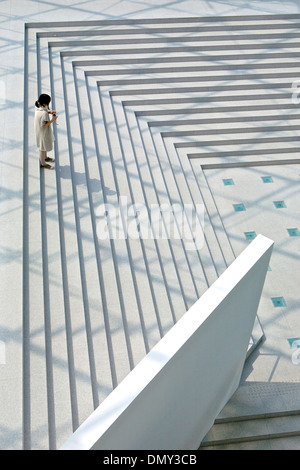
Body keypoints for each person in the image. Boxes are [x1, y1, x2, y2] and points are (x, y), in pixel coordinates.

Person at [34, 93, 58, 169]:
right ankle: (43, 163)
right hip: (43, 133)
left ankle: (45, 157)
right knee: (43, 148)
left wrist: (49, 112)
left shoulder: (38, 107)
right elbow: (44, 125)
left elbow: (43, 113)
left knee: (44, 146)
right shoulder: (44, 113)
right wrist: (52, 120)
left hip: (39, 131)